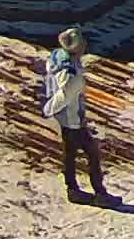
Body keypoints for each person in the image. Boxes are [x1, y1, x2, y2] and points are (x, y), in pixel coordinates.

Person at [43, 28, 112, 206]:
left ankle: (73, 189)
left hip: (65, 119)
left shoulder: (58, 58)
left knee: (70, 154)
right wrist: (49, 108)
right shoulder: (71, 72)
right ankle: (100, 193)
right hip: (73, 119)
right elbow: (65, 95)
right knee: (92, 154)